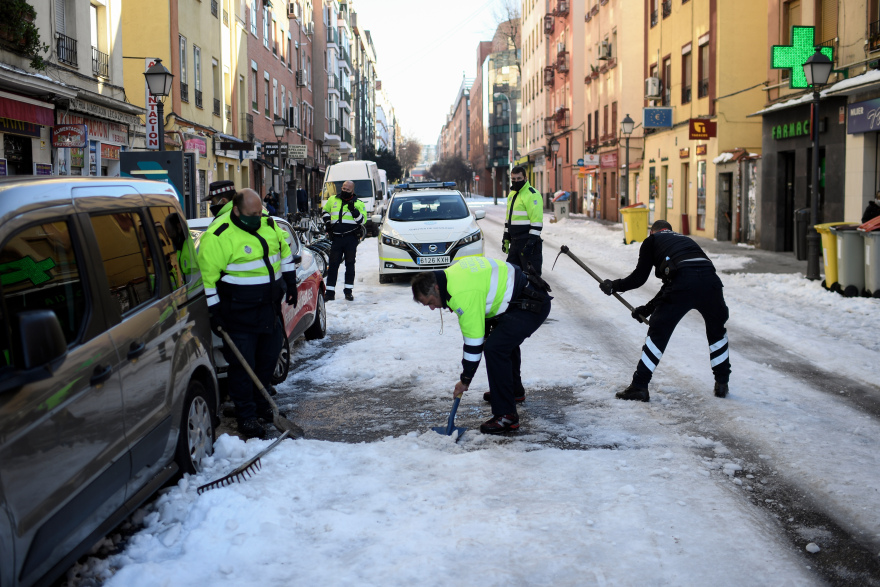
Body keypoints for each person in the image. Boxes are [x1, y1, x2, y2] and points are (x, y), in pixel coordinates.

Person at [198, 189, 299, 439]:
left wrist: (290, 283)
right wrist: (214, 311)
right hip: (238, 313)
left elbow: (285, 254)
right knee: (243, 368)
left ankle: (262, 406)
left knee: (268, 360)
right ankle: (246, 416)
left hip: (268, 310)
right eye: (252, 214)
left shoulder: (268, 225)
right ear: (236, 211)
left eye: (260, 212)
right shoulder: (219, 235)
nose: (258, 218)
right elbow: (207, 279)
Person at [411, 257, 552, 434]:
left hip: (532, 304)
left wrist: (465, 380)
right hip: (523, 295)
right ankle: (511, 392)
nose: (432, 308)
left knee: (495, 348)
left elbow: (473, 343)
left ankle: (506, 416)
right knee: (502, 341)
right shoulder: (452, 276)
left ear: (437, 288)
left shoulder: (461, 294)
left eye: (431, 302)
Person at [599, 219, 730, 402]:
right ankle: (722, 383)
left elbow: (639, 278)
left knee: (658, 331)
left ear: (652, 232)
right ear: (670, 230)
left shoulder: (652, 241)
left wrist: (614, 286)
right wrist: (648, 309)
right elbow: (673, 281)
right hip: (712, 283)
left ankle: (639, 386)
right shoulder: (685, 240)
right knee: (717, 333)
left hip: (683, 283)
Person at [322, 180, 366, 301]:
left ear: (352, 190)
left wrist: (354, 210)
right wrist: (327, 222)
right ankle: (329, 292)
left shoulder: (359, 203)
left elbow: (362, 221)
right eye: (343, 188)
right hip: (336, 238)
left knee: (350, 264)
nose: (345, 191)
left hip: (350, 238)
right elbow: (325, 211)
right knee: (333, 265)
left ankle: (348, 291)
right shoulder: (333, 199)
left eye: (347, 189)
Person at [503, 166, 544, 275]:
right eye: (513, 179)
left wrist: (530, 244)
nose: (516, 181)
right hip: (515, 243)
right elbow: (509, 219)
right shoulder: (512, 194)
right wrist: (506, 237)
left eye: (519, 178)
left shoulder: (532, 195)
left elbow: (536, 222)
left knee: (532, 278)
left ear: (525, 178)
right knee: (511, 275)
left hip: (528, 243)